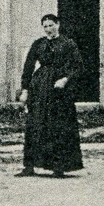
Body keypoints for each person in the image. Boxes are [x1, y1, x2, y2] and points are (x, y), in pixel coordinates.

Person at [17, 13, 84, 178]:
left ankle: (59, 167)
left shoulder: (68, 44)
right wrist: (25, 89)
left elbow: (78, 66)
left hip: (59, 90)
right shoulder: (38, 44)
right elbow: (28, 67)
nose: (48, 29)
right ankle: (29, 166)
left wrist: (65, 79)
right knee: (35, 125)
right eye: (45, 26)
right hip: (39, 88)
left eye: (51, 25)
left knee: (58, 126)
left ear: (58, 24)